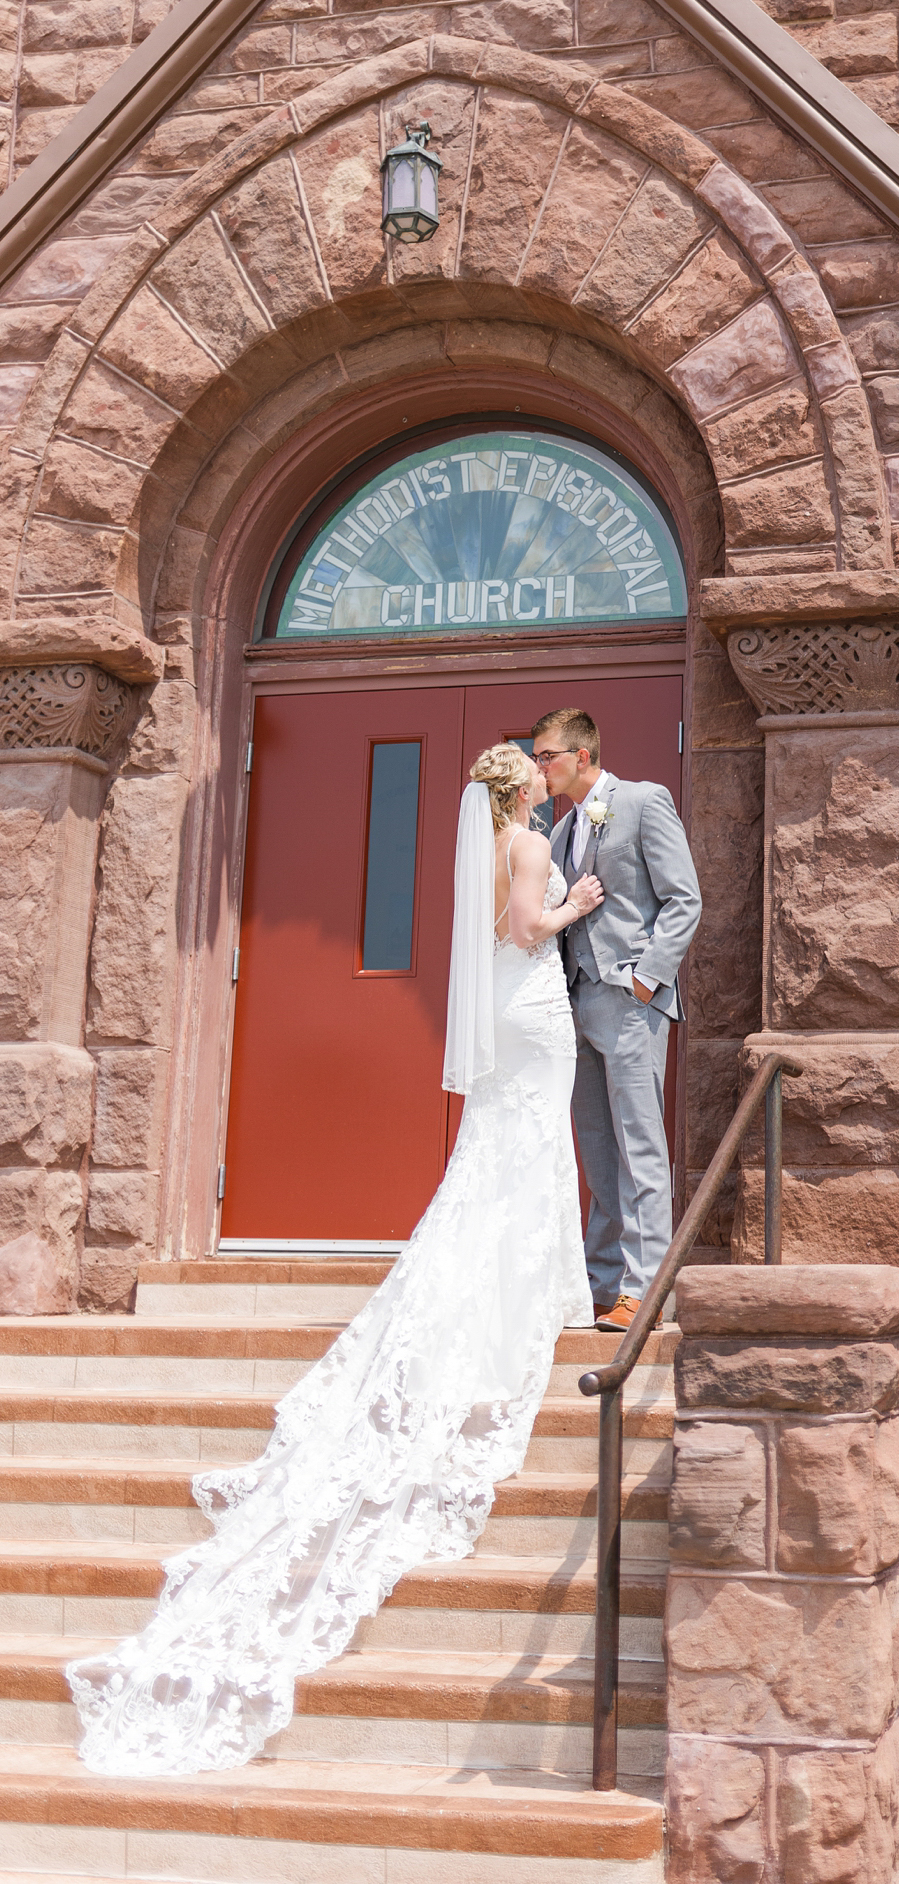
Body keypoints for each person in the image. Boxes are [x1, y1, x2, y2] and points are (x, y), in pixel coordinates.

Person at [66, 743, 603, 1777]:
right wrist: (577, 903)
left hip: (504, 1011)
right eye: (532, 770)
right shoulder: (529, 845)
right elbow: (524, 929)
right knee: (525, 1151)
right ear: (520, 789)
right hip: (530, 1009)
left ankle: (526, 1288)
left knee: (500, 1157)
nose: (542, 776)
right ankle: (533, 1298)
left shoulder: (485, 838)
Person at [531, 708, 702, 1333]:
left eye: (546, 755)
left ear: (582, 755)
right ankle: (601, 1284)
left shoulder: (641, 801)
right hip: (573, 1002)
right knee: (599, 1151)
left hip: (629, 999)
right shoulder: (557, 829)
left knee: (640, 1148)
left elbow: (684, 899)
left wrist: (647, 977)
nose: (538, 765)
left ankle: (646, 1290)